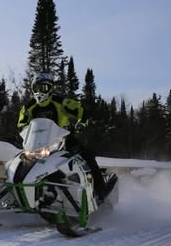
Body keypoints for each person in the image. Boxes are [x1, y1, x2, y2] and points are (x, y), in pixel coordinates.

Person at [17, 72, 111, 203]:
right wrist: (23, 130)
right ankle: (20, 195)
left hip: (64, 140)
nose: (40, 92)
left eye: (44, 88)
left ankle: (101, 190)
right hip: (37, 145)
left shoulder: (61, 102)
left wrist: (81, 122)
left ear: (51, 89)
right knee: (20, 163)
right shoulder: (28, 107)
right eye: (37, 88)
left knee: (87, 155)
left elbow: (80, 109)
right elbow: (22, 123)